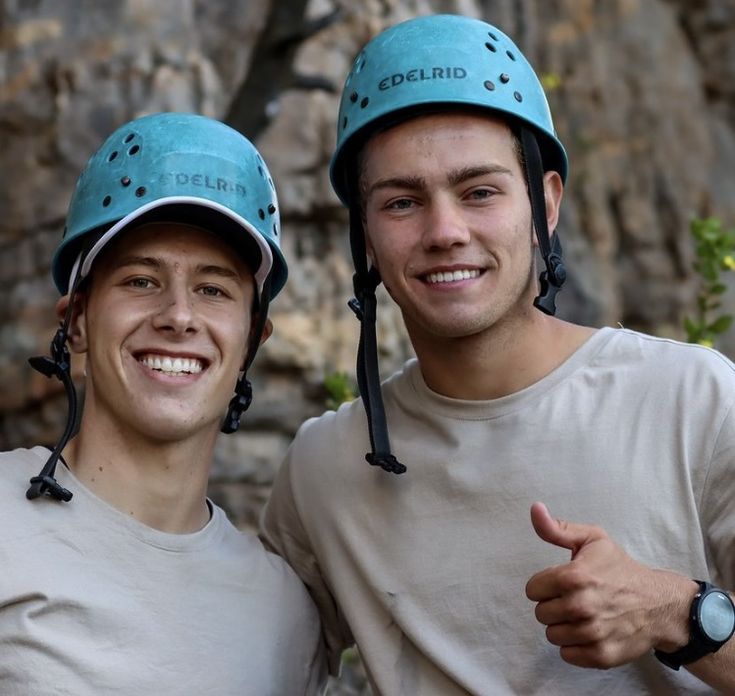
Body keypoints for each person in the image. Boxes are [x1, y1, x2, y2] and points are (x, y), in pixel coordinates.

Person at [260, 14, 735, 695]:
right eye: (401, 202)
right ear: (363, 238)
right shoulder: (324, 470)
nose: (444, 231)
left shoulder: (688, 398)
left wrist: (679, 613)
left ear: (545, 204)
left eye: (479, 192)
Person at [0, 112, 326, 695]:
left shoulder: (284, 615)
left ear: (253, 341)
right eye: (140, 281)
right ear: (75, 322)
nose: (178, 316)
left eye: (213, 288)